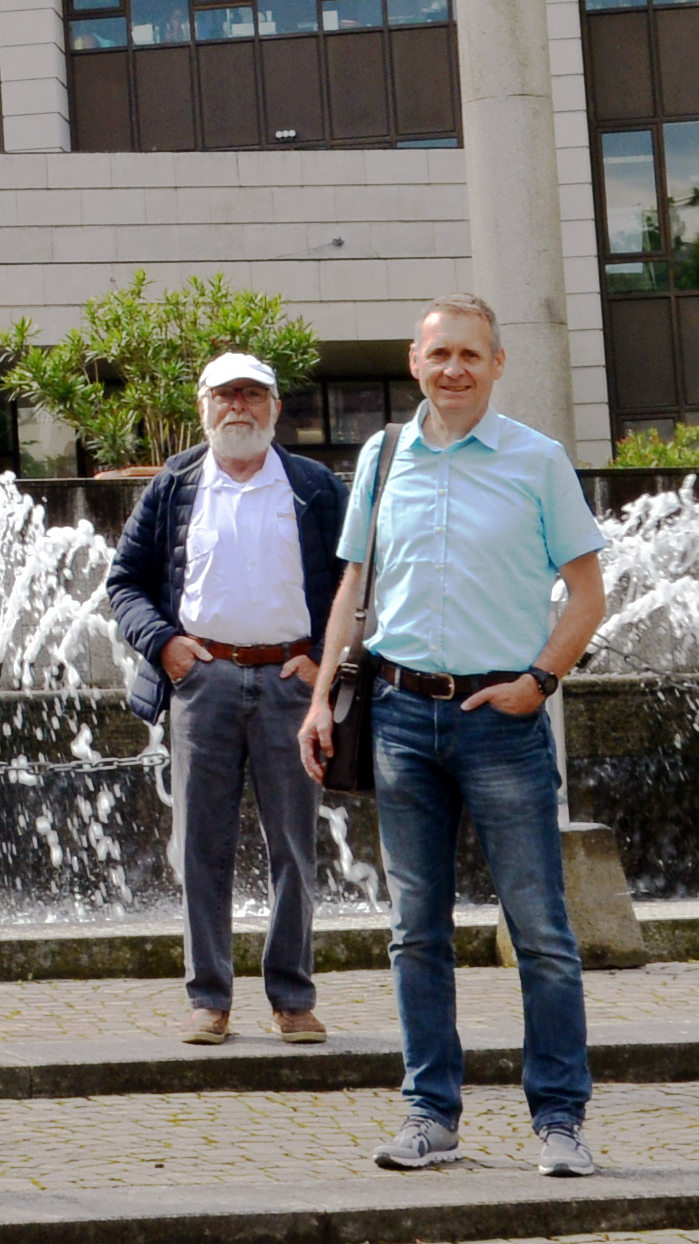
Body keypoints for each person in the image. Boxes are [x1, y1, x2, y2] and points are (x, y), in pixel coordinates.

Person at [299, 295, 612, 1177]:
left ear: (497, 364)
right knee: (415, 932)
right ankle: (429, 1116)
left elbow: (588, 596)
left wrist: (537, 682)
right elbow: (352, 588)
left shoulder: (536, 460)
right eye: (440, 355)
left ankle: (560, 1119)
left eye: (472, 355)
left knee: (540, 931)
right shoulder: (382, 455)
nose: (455, 370)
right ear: (415, 361)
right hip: (400, 718)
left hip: (501, 721)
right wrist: (320, 700)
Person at [103, 351, 350, 1045]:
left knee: (294, 847)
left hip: (290, 685)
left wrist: (321, 661)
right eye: (225, 395)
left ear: (275, 407)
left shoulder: (313, 487)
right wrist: (164, 645)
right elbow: (125, 581)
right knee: (199, 847)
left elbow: (357, 582)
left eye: (252, 394)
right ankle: (208, 999)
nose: (238, 406)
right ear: (203, 406)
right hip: (202, 683)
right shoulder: (175, 484)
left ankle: (292, 998)